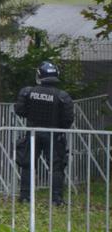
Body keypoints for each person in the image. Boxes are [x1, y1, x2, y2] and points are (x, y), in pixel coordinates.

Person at [14, 61, 74, 206]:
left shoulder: (28, 92)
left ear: (40, 75)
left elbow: (19, 110)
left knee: (28, 164)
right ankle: (56, 199)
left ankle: (25, 196)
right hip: (53, 134)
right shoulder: (62, 96)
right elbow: (68, 119)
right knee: (56, 166)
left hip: (33, 132)